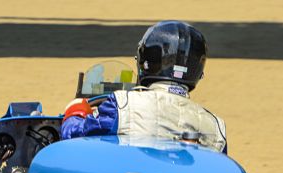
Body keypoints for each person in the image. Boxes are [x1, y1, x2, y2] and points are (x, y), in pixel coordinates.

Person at [61, 21, 227, 152]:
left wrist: (75, 112)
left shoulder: (122, 104)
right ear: (197, 70)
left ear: (145, 62)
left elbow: (75, 137)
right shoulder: (216, 128)